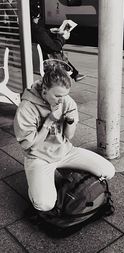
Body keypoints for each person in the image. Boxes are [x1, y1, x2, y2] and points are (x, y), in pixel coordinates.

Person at [14, 60, 115, 212]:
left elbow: (69, 136)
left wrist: (70, 120)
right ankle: (35, 182)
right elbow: (28, 145)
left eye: (65, 95)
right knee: (44, 204)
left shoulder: (66, 101)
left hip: (65, 151)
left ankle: (67, 173)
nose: (62, 100)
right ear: (44, 91)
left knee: (108, 171)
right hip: (39, 157)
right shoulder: (26, 108)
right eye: (57, 96)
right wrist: (49, 122)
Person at [30, 3, 85, 82]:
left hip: (33, 62)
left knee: (55, 52)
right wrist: (63, 38)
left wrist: (50, 31)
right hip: (45, 64)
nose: (38, 19)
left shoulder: (28, 28)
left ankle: (74, 74)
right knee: (57, 52)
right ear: (34, 17)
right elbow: (54, 47)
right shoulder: (38, 31)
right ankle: (73, 74)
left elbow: (40, 35)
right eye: (38, 17)